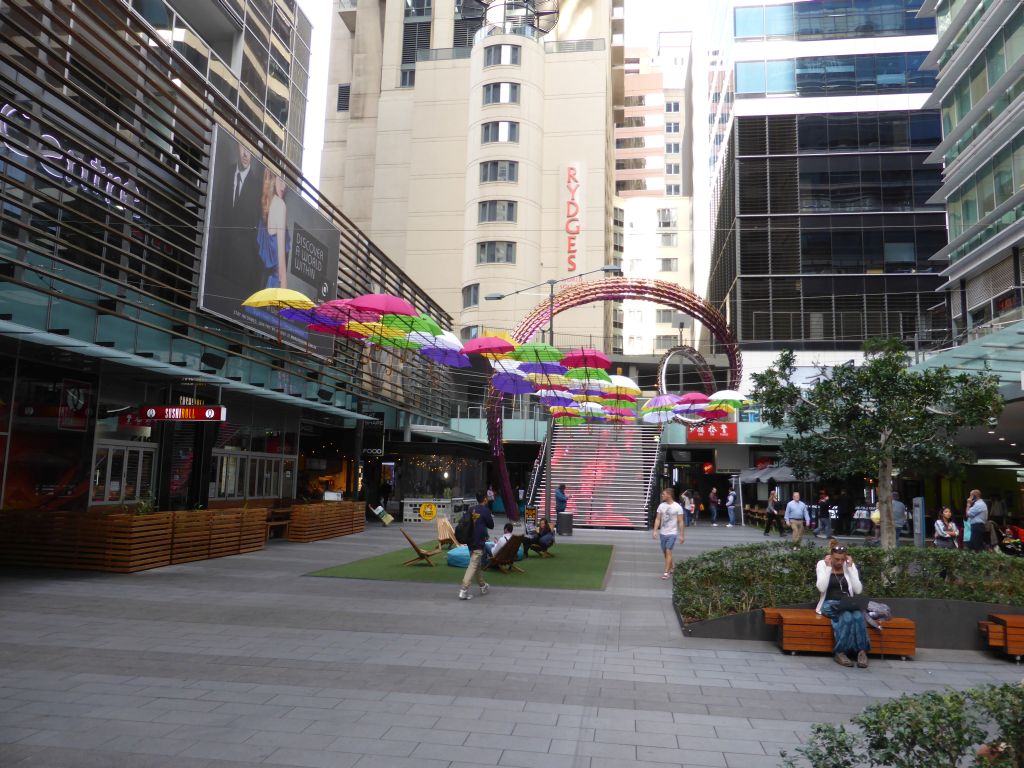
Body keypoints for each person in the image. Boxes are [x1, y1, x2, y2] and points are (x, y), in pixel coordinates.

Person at [815, 542, 870, 668]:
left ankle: (862, 652)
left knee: (858, 616)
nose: (839, 562)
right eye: (836, 559)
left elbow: (858, 590)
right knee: (846, 617)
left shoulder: (849, 565)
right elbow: (821, 588)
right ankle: (840, 652)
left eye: (842, 559)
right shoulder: (822, 564)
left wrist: (850, 568)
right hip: (828, 603)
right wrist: (829, 567)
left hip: (847, 603)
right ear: (830, 556)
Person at [458, 491, 494, 600]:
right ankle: (463, 590)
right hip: (479, 542)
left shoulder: (471, 509)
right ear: (485, 499)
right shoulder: (485, 511)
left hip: (470, 541)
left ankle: (483, 586)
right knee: (473, 565)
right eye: (487, 497)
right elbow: (491, 525)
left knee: (476, 566)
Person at [258, 171, 289, 289]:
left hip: (264, 288)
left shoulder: (267, 207)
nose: (284, 187)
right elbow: (282, 268)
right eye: (281, 180)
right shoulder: (280, 205)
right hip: (275, 287)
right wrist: (285, 304)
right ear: (272, 179)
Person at [652, 488, 684, 579]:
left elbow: (681, 521)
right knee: (666, 553)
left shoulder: (677, 507)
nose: (662, 495)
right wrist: (655, 531)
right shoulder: (661, 506)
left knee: (668, 550)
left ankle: (666, 572)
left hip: (672, 533)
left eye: (663, 494)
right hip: (663, 533)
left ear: (669, 495)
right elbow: (658, 519)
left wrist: (682, 535)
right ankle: (672, 566)